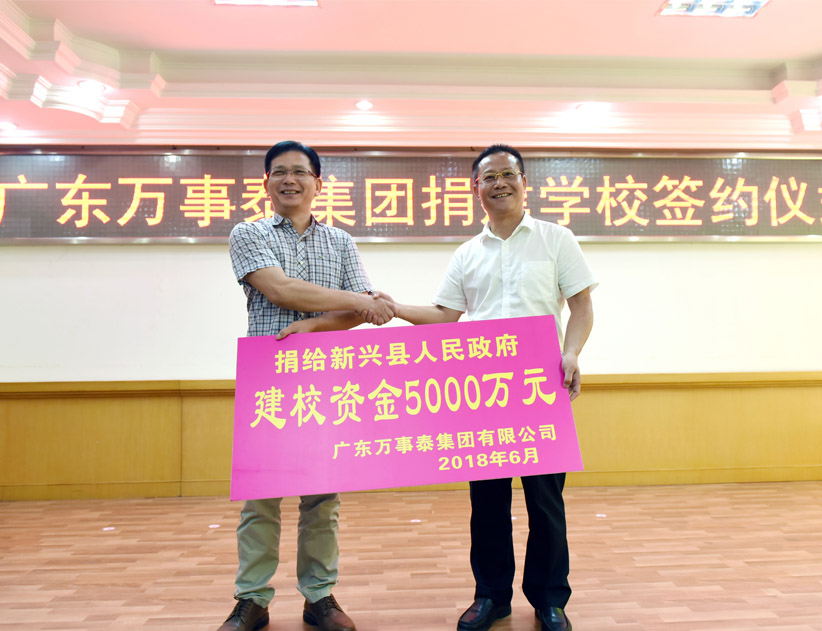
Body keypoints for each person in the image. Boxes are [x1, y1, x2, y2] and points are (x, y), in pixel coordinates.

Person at [395, 144, 596, 631]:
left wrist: (571, 352)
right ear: (476, 188)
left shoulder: (556, 239)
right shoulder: (467, 253)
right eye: (489, 177)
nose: (499, 183)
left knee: (545, 502)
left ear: (524, 183)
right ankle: (491, 596)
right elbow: (445, 315)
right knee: (487, 503)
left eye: (508, 175)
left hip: (539, 390)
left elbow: (581, 306)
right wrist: (394, 308)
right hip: (483, 394)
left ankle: (550, 599)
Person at [220, 140, 394, 631]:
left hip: (327, 379)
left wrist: (317, 324)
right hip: (268, 380)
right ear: (266, 183)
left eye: (300, 172)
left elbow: (355, 315)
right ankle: (252, 599)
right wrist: (359, 300)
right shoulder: (248, 233)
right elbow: (281, 289)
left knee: (323, 497)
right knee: (261, 497)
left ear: (318, 183)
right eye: (279, 172)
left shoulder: (341, 241)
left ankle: (319, 596)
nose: (289, 180)